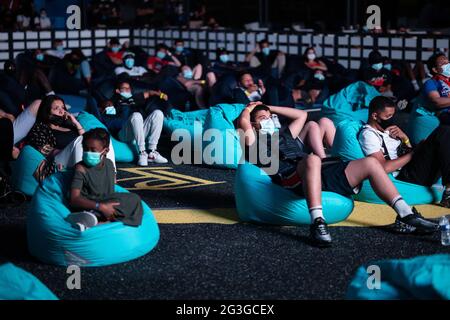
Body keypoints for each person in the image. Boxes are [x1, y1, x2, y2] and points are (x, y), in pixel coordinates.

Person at [238, 102, 438, 246]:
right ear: (254, 125)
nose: (269, 120)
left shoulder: (285, 134)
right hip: (291, 176)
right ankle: (318, 222)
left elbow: (301, 115)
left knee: (370, 163)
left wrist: (269, 108)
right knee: (314, 158)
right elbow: (242, 122)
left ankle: (405, 214)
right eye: (262, 119)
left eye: (270, 118)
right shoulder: (253, 142)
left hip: (318, 171)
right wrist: (249, 109)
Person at [358, 96, 450, 208]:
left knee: (442, 137)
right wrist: (415, 152)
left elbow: (404, 151)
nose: (391, 119)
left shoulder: (388, 130)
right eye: (388, 116)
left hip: (411, 167)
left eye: (392, 115)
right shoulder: (369, 135)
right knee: (443, 132)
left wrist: (405, 139)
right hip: (404, 176)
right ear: (375, 116)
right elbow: (382, 167)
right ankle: (449, 192)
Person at [25, 95, 116, 183]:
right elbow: (45, 150)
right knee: (80, 141)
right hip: (58, 160)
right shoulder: (41, 128)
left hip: (80, 155)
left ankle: (112, 176)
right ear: (47, 112)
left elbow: (90, 141)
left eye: (63, 108)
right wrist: (71, 150)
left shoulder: (70, 126)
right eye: (57, 108)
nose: (62, 111)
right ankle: (83, 180)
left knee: (103, 140)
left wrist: (76, 122)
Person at [68, 128, 143, 231]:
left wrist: (109, 205)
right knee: (111, 208)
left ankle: (98, 223)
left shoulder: (109, 164)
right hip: (88, 204)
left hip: (105, 201)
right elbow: (74, 199)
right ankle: (90, 218)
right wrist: (101, 207)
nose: (87, 153)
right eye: (85, 149)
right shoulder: (81, 168)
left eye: (93, 150)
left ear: (105, 150)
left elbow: (110, 192)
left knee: (134, 199)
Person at [112, 80, 169, 166]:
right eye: (124, 88)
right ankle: (142, 152)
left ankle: (151, 151)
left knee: (158, 113)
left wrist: (160, 94)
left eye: (129, 88)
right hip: (124, 134)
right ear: (118, 91)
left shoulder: (134, 100)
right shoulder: (115, 101)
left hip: (138, 133)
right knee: (136, 115)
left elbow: (149, 93)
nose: (127, 90)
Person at [424, 52, 450, 125]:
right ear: (435, 69)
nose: (448, 65)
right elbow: (437, 102)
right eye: (443, 64)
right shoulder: (431, 82)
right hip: (446, 114)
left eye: (448, 62)